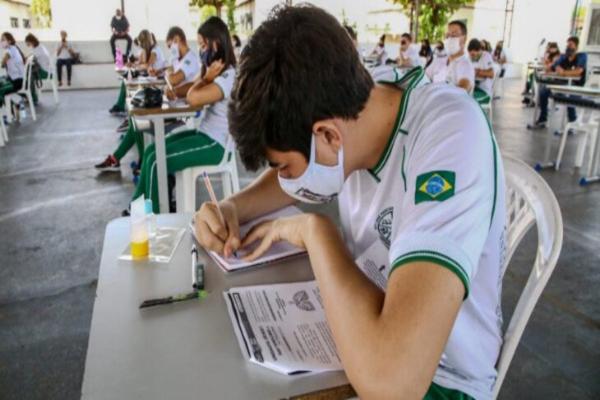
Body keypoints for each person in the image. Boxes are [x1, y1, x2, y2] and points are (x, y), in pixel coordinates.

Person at [196, 5, 505, 400]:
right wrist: (232, 209)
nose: (285, 179)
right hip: (365, 322)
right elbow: (291, 171)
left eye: (284, 166)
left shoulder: (450, 136)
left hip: (439, 377)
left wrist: (315, 231)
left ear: (328, 135)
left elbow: (394, 381)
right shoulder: (359, 100)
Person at [131, 17, 236, 213]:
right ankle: (137, 207)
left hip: (215, 146)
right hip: (204, 135)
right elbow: (191, 87)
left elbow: (194, 97)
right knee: (151, 151)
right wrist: (176, 91)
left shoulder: (227, 76)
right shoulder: (218, 73)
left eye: (204, 45)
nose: (202, 50)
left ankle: (153, 220)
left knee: (156, 160)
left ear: (217, 43)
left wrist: (205, 78)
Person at [96, 26, 201, 173]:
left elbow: (174, 79)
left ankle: (134, 160)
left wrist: (168, 73)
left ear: (177, 40)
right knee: (136, 119)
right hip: (172, 105)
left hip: (181, 113)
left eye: (171, 46)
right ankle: (129, 159)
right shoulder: (178, 59)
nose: (170, 49)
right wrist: (164, 73)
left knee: (138, 121)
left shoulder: (190, 59)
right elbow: (169, 77)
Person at [529, 36, 587, 129]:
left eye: (571, 45)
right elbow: (549, 68)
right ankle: (543, 119)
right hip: (560, 83)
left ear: (576, 46)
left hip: (575, 85)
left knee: (569, 95)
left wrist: (564, 73)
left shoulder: (582, 56)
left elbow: (578, 71)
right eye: (567, 45)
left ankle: (572, 122)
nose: (568, 47)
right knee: (543, 91)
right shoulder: (563, 57)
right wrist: (553, 65)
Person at [426, 20, 474, 93]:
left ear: (464, 39)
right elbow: (423, 78)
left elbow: (462, 91)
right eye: (447, 36)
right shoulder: (438, 60)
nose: (449, 39)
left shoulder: (466, 65)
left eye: (454, 35)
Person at [0, 32, 25, 110]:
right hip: (19, 79)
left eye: (3, 39)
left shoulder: (10, 50)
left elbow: (3, 61)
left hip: (17, 81)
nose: (1, 41)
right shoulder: (14, 48)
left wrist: (3, 63)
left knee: (1, 89)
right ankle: (14, 106)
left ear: (9, 41)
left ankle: (7, 113)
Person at [25, 33, 51, 105]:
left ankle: (33, 98)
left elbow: (30, 59)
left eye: (28, 43)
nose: (27, 45)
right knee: (29, 74)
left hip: (45, 72)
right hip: (47, 70)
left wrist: (26, 58)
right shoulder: (40, 47)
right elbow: (31, 56)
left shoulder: (38, 49)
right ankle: (31, 96)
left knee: (28, 76)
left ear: (32, 41)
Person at [468, 39, 495, 104]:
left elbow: (491, 74)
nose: (472, 57)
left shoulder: (486, 56)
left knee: (469, 101)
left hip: (484, 91)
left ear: (479, 51)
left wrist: (477, 72)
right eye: (471, 54)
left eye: (474, 55)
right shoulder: (469, 57)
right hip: (473, 89)